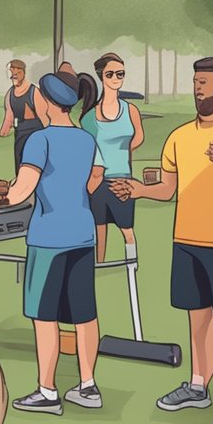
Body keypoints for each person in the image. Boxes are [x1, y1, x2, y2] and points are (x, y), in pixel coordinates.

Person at [110, 57, 213, 424]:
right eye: (195, 81)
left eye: (203, 82)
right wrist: (138, 190)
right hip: (185, 240)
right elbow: (168, 189)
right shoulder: (180, 136)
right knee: (198, 319)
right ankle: (198, 385)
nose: (197, 88)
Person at [7, 71, 102, 415]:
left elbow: (21, 191)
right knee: (84, 314)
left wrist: (4, 194)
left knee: (44, 316)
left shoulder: (40, 140)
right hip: (82, 233)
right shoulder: (86, 139)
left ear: (45, 101)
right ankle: (88, 385)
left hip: (48, 237)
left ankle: (48, 390)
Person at [82, 53, 143, 265]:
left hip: (123, 178)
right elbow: (89, 148)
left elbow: (139, 136)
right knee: (100, 226)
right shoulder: (90, 117)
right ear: (101, 77)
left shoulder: (130, 110)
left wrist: (124, 152)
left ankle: (131, 263)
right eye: (111, 74)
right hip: (98, 180)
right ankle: (99, 263)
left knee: (127, 228)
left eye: (121, 74)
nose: (116, 78)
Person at [0, 59, 43, 170]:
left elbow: (43, 115)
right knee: (20, 163)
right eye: (12, 73)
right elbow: (9, 114)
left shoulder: (34, 91)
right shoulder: (10, 94)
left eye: (17, 73)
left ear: (23, 72)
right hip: (19, 133)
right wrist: (4, 131)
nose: (15, 76)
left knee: (34, 164)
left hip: (35, 132)